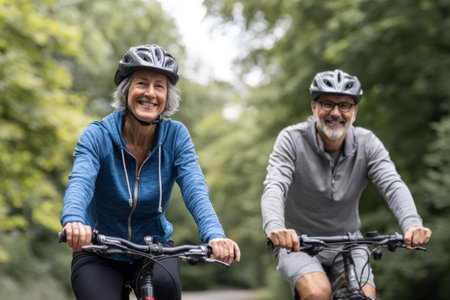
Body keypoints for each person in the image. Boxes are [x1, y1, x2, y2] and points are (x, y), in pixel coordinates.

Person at [60, 43, 241, 300]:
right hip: (98, 247)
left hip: (154, 249)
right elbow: (81, 181)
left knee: (165, 290)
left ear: (168, 96)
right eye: (142, 83)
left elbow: (195, 189)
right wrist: (74, 221)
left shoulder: (176, 136)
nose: (150, 93)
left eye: (159, 86)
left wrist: (215, 236)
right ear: (126, 91)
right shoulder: (97, 135)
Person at [261, 69, 431, 300]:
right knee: (317, 291)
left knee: (364, 295)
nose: (335, 113)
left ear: (355, 111)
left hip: (349, 241)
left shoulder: (367, 143)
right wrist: (275, 227)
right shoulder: (291, 139)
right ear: (314, 107)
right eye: (327, 104)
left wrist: (412, 224)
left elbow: (392, 184)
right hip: (298, 243)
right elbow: (275, 185)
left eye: (344, 106)